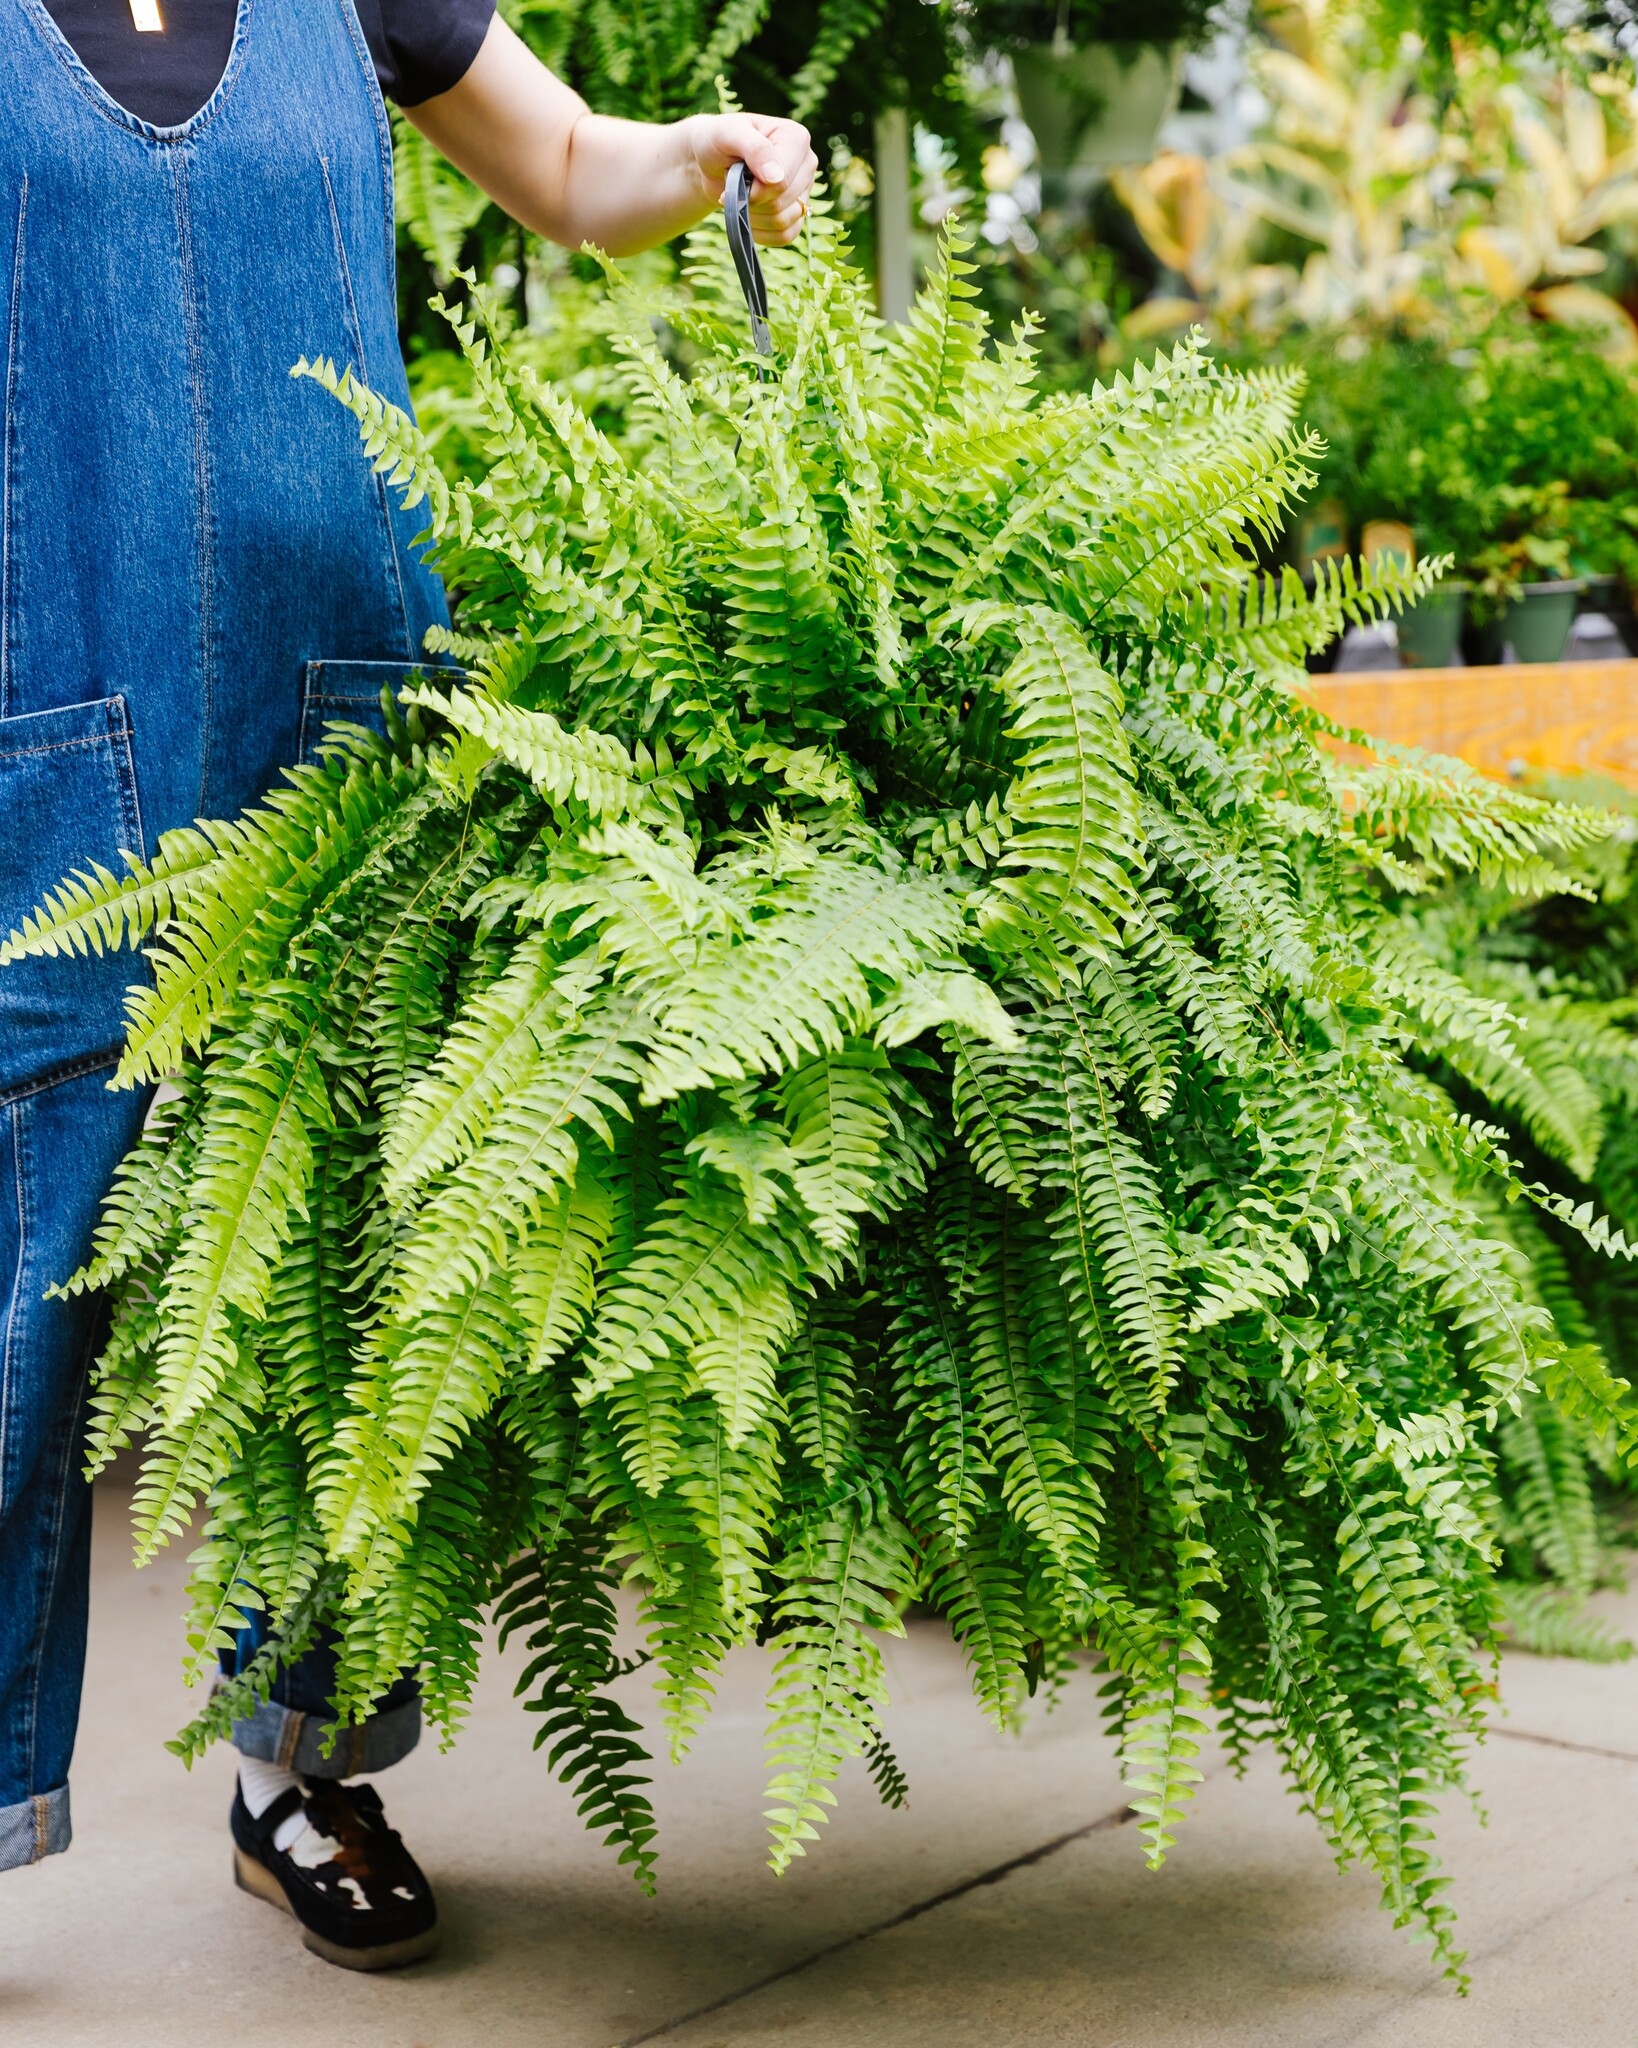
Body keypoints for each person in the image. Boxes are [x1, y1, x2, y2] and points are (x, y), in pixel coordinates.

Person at [0, 0, 814, 1973]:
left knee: (352, 1285)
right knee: (15, 1298)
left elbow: (562, 170)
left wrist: (702, 151)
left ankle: (301, 1766)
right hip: (46, 723)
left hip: (348, 720)